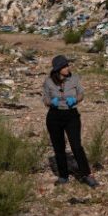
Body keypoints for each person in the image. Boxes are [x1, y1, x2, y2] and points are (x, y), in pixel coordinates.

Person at [42, 55, 98, 187]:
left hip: (71, 115)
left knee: (76, 146)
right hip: (54, 116)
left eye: (67, 65)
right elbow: (45, 100)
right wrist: (52, 102)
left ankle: (87, 174)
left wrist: (75, 100)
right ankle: (63, 176)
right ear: (58, 69)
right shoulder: (48, 82)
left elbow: (81, 94)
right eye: (65, 66)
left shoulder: (74, 79)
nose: (68, 68)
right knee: (59, 147)